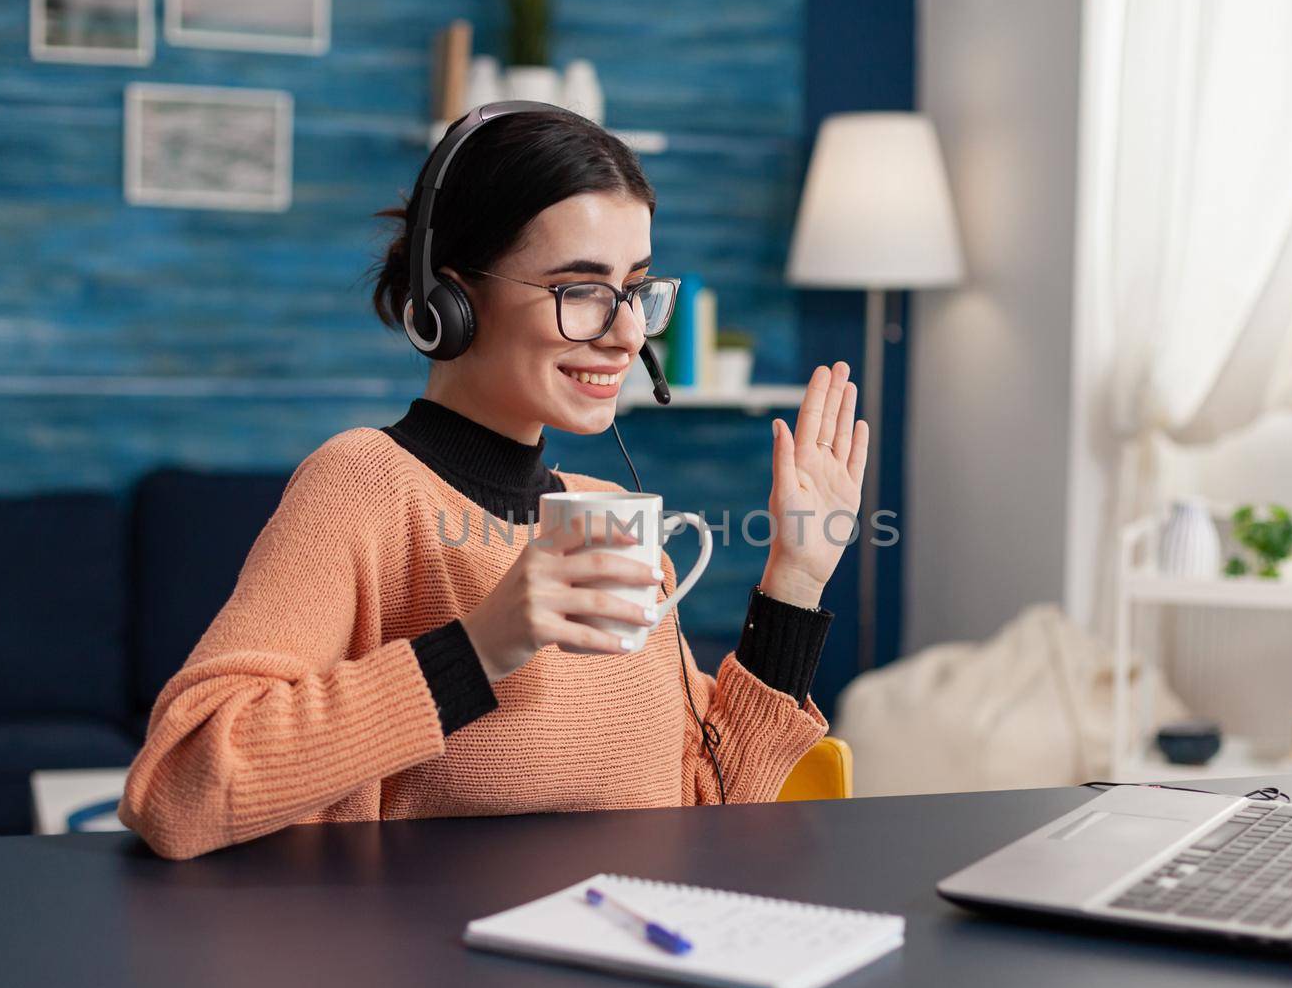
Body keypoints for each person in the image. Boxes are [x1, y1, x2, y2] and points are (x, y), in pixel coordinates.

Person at [119, 108, 869, 860]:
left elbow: (708, 806)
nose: (629, 333)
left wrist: (794, 579)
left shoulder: (608, 515)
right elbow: (178, 790)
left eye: (635, 289)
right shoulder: (363, 487)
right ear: (454, 303)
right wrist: (477, 650)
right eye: (580, 289)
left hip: (632, 961)